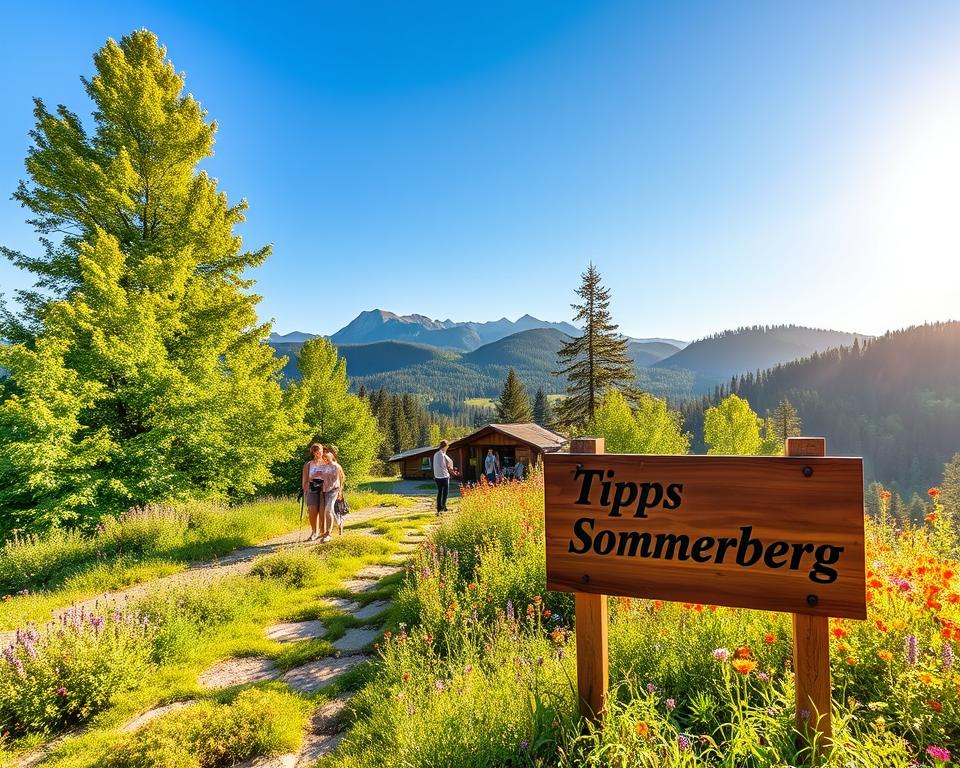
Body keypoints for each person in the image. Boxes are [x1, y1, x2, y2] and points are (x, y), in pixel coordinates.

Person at [317, 448, 345, 543]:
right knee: (330, 511)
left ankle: (328, 533)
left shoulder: (336, 466)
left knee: (328, 510)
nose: (325, 457)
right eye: (323, 456)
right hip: (325, 491)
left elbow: (342, 479)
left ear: (331, 456)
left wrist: (340, 491)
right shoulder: (323, 467)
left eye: (327, 455)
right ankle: (339, 522)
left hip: (334, 490)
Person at [301, 443, 326, 541]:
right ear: (313, 452)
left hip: (324, 488)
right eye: (316, 451)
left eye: (319, 450)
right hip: (312, 488)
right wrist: (305, 491)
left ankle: (322, 531)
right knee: (312, 511)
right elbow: (305, 479)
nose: (318, 452)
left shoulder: (326, 462)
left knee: (322, 511)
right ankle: (314, 532)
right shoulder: (308, 464)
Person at [432, 440, 458, 514]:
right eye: (447, 446)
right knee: (445, 492)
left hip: (437, 476)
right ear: (445, 446)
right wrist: (451, 471)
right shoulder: (441, 455)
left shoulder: (436, 454)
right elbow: (444, 466)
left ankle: (439, 508)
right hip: (444, 476)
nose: (448, 447)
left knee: (440, 492)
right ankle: (444, 507)